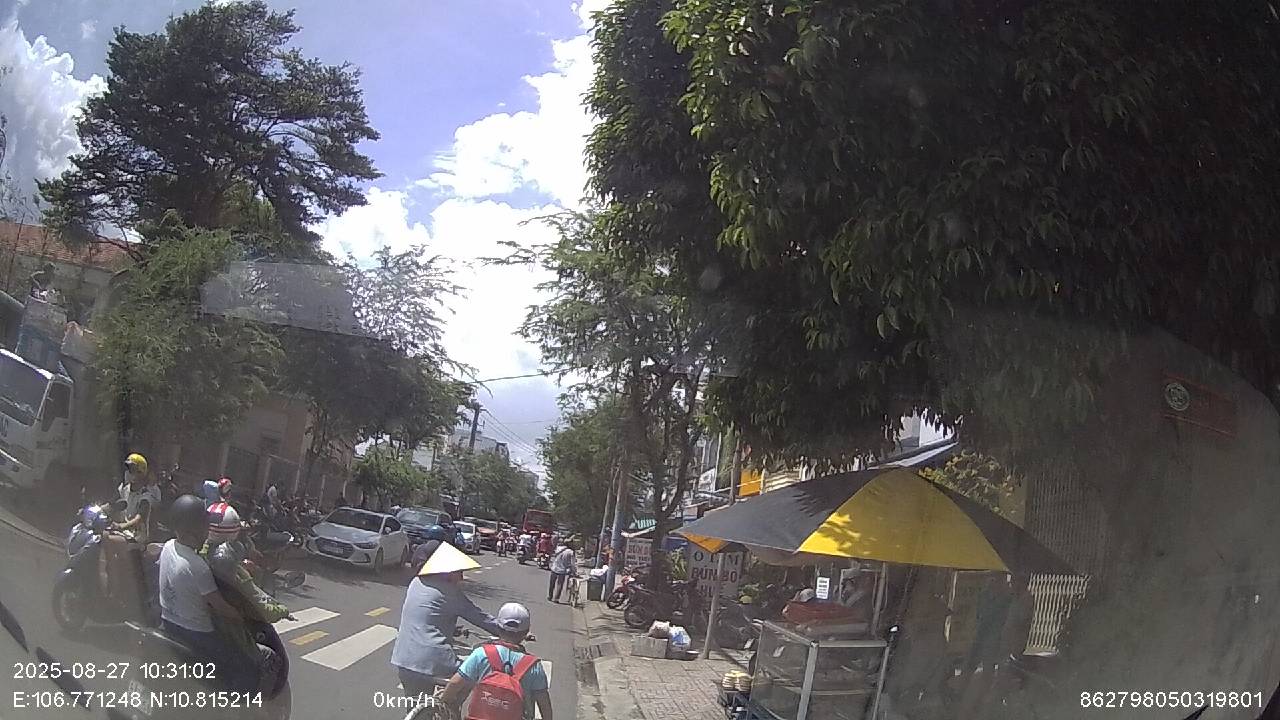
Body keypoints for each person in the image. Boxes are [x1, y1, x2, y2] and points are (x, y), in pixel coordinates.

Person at [159, 495, 255, 692]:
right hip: (197, 634)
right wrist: (242, 617)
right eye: (204, 526)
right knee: (247, 667)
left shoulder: (168, 546)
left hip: (167, 622)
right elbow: (219, 606)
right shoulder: (198, 567)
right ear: (192, 530)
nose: (207, 531)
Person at [391, 540, 505, 701]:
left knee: (415, 706)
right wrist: (510, 632)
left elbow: (427, 617)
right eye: (459, 571)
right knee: (473, 674)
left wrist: (452, 629)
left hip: (403, 660)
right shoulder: (451, 593)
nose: (462, 577)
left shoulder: (415, 583)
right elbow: (482, 619)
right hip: (434, 661)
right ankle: (448, 705)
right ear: (447, 570)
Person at [202, 501, 292, 660]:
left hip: (203, 618)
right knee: (270, 659)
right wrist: (282, 611)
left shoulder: (196, 550)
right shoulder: (228, 562)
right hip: (226, 626)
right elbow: (255, 602)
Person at [440, 602, 552, 720]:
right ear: (526, 632)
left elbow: (455, 683)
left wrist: (442, 703)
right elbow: (544, 704)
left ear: (498, 627)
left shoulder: (481, 654)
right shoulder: (533, 666)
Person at [101, 453, 161, 608]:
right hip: (123, 534)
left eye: (132, 469)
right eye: (128, 469)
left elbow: (139, 519)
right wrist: (95, 511)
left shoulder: (145, 496)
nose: (129, 472)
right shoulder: (124, 489)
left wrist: (121, 526)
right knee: (103, 535)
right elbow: (112, 505)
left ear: (141, 472)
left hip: (137, 538)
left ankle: (116, 589)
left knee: (108, 538)